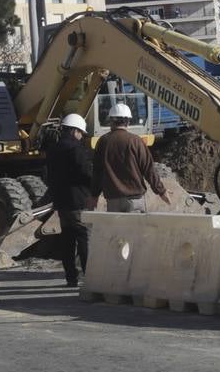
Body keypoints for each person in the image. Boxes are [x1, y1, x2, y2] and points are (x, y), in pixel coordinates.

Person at [92, 103, 171, 212]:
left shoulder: (103, 142)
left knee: (115, 229)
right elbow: (149, 169)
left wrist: (94, 195)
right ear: (128, 121)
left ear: (110, 121)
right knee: (135, 229)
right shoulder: (135, 141)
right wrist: (161, 191)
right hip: (134, 200)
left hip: (112, 200)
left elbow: (97, 172)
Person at [45, 113, 94, 287]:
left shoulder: (53, 149)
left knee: (67, 239)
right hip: (78, 201)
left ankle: (71, 278)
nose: (81, 137)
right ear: (75, 131)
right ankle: (89, 276)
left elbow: (49, 176)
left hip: (61, 202)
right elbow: (87, 173)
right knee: (83, 237)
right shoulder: (76, 149)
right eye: (81, 133)